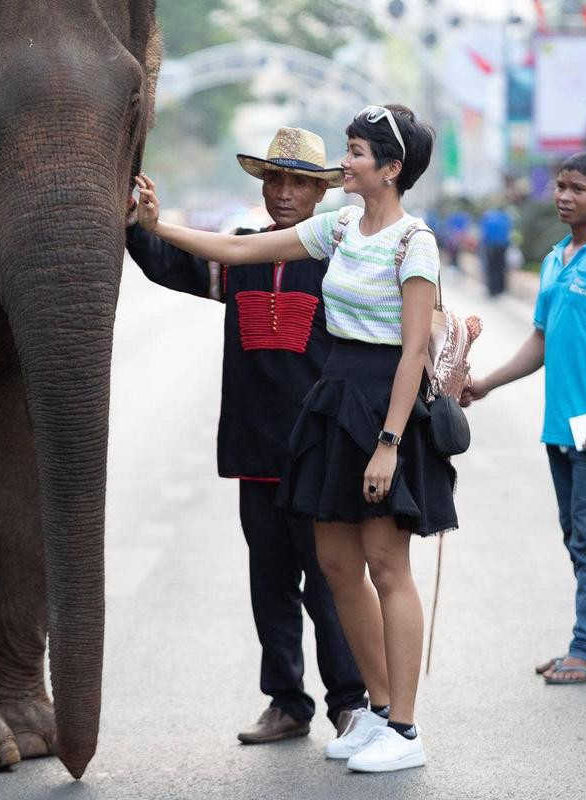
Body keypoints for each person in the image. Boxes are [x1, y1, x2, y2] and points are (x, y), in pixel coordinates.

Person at [135, 103, 455, 774]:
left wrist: (392, 438)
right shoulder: (335, 232)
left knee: (380, 570)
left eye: (353, 154)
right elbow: (230, 249)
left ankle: (390, 718)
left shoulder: (403, 242)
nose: (343, 163)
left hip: (367, 420)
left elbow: (415, 342)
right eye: (275, 180)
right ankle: (335, 704)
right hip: (304, 427)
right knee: (322, 574)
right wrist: (151, 224)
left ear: (387, 169)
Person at [125, 128, 368, 745]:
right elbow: (169, 264)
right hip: (255, 451)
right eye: (275, 180)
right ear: (263, 186)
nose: (285, 193)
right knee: (271, 584)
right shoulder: (239, 256)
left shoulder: (342, 260)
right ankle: (287, 703)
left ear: (320, 192)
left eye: (299, 183)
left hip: (321, 454)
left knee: (332, 584)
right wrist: (138, 225)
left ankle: (350, 702)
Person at [461, 152, 586, 684]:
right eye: (561, 187)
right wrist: (485, 384)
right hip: (559, 425)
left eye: (578, 189)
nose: (565, 196)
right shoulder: (555, 259)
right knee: (577, 537)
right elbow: (540, 343)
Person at [479, 205, 512, 297]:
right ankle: (500, 289)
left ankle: (492, 289)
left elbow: (484, 234)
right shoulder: (505, 218)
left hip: (491, 247)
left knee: (491, 268)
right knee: (501, 267)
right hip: (502, 246)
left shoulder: (488, 218)